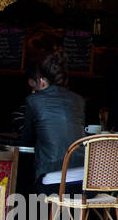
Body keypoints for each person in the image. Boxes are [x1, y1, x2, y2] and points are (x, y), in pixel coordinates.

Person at [21, 50, 86, 195]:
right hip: (83, 178)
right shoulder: (79, 100)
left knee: (27, 185)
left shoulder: (33, 100)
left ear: (42, 79)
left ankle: (36, 217)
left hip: (52, 177)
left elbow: (27, 140)